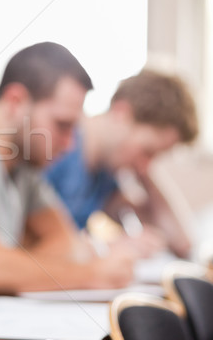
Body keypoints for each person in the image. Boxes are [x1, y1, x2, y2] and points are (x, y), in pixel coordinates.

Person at [0, 42, 136, 294]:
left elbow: (70, 246)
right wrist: (91, 275)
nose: (69, 145)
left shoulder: (25, 169)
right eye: (62, 125)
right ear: (16, 101)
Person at [45, 70, 199, 258]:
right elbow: (27, 241)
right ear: (121, 112)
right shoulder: (58, 146)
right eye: (147, 151)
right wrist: (106, 247)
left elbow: (182, 243)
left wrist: (145, 174)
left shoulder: (104, 176)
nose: (145, 165)